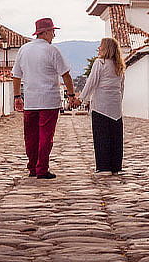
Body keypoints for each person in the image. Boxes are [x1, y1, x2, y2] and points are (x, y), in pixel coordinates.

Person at [12, 18, 78, 179]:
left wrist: (17, 96)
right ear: (46, 32)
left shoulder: (24, 50)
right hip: (49, 100)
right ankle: (42, 169)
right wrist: (71, 95)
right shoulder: (52, 50)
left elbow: (16, 75)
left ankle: (32, 167)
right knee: (45, 136)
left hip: (31, 100)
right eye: (53, 31)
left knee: (31, 136)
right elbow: (66, 75)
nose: (54, 35)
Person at [78, 37, 125, 175]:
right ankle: (116, 166)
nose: (98, 48)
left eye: (100, 46)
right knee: (116, 137)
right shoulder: (119, 66)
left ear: (106, 48)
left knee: (101, 136)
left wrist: (82, 98)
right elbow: (122, 87)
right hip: (115, 107)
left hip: (101, 106)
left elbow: (92, 82)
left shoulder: (100, 63)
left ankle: (103, 167)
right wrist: (119, 102)